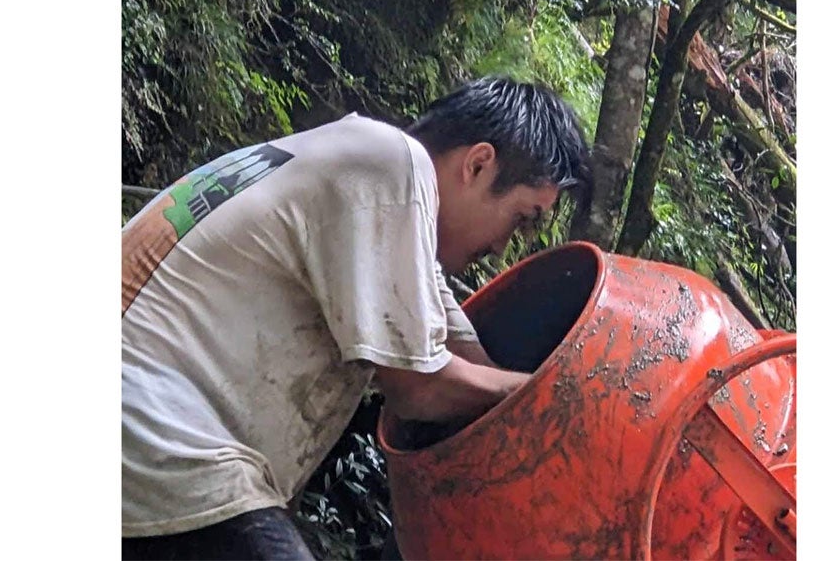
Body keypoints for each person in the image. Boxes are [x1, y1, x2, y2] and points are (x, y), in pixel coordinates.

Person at [121, 76, 591, 560]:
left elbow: (466, 358)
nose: (501, 246)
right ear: (477, 164)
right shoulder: (391, 165)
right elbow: (421, 385)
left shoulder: (367, 178)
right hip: (157, 434)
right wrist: (553, 397)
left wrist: (529, 390)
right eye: (521, 218)